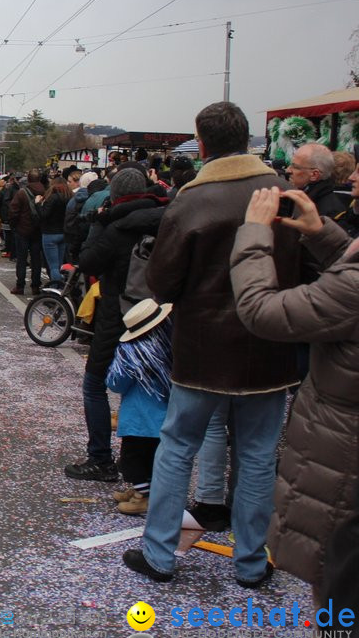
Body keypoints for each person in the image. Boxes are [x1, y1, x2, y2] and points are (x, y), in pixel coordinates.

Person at [123, 101, 301, 588]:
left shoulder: (192, 200)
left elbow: (161, 283)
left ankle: (160, 553)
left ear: (201, 143)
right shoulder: (284, 193)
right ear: (246, 140)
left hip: (202, 349)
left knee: (178, 447)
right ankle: (250, 561)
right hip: (270, 348)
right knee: (260, 455)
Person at [230, 185, 359, 604]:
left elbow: (261, 310)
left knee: (340, 592)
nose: (352, 177)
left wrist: (252, 233)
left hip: (341, 452)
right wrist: (323, 234)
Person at [65, 167, 167, 482]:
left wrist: (98, 223)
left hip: (116, 315)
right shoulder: (167, 220)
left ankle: (100, 458)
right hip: (158, 317)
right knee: (145, 390)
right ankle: (145, 469)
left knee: (94, 384)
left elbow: (88, 261)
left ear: (116, 195)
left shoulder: (115, 227)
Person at [107, 299, 174, 515]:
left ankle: (143, 495)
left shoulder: (133, 353)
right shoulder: (168, 347)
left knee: (131, 461)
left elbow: (116, 383)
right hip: (163, 418)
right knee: (153, 461)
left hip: (137, 420)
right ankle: (142, 490)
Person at [8, 168, 45, 295]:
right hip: (38, 230)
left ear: (28, 179)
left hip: (22, 230)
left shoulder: (22, 193)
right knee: (36, 259)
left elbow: (13, 211)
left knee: (22, 259)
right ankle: (35, 285)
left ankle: (20, 286)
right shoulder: (46, 192)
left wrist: (14, 225)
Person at [289, 143, 347, 220]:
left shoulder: (329, 213)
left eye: (295, 167)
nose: (288, 170)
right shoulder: (304, 197)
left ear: (314, 175)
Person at [39, 176, 71, 282]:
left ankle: (55, 286)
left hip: (50, 233)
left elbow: (44, 214)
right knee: (59, 263)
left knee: (53, 265)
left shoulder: (52, 197)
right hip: (63, 232)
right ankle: (60, 285)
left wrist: (39, 204)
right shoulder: (69, 197)